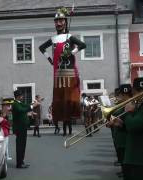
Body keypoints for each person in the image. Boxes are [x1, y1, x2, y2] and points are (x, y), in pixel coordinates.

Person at [39, 7, 86, 136]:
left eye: (61, 20)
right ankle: (63, 126)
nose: (58, 23)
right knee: (60, 99)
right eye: (56, 21)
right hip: (58, 73)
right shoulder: (53, 38)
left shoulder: (69, 37)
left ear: (65, 22)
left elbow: (83, 45)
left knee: (69, 99)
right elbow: (41, 48)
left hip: (69, 71)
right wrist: (50, 59)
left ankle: (69, 125)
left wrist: (70, 53)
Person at [112, 77, 143, 180]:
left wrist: (128, 112)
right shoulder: (141, 105)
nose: (138, 94)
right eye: (137, 91)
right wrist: (122, 124)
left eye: (141, 91)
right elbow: (136, 127)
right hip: (136, 157)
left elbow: (133, 126)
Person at [12, 90, 39, 168]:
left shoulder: (19, 103)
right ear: (18, 96)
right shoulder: (15, 104)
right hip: (19, 128)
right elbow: (22, 110)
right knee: (20, 146)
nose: (22, 97)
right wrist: (32, 106)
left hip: (23, 128)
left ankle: (21, 161)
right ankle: (19, 163)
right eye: (21, 95)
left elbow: (25, 106)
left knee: (23, 145)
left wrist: (33, 104)